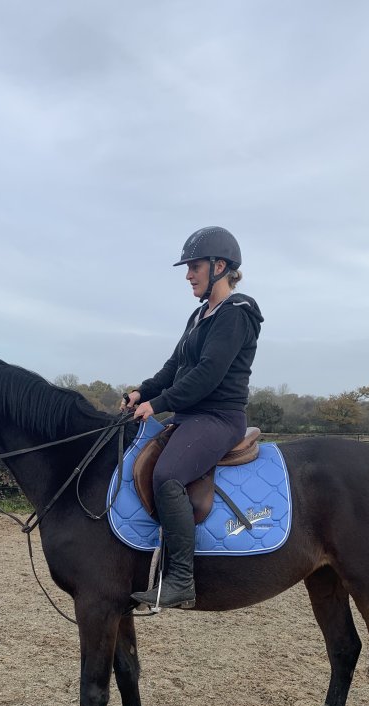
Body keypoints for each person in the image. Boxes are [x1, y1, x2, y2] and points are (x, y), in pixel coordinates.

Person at [122, 226, 264, 609]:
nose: (188, 275)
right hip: (190, 416)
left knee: (167, 475)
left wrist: (159, 404)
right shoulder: (200, 315)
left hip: (218, 417)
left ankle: (181, 579)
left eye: (194, 267)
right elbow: (174, 368)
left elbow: (207, 374)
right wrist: (141, 393)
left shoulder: (237, 313)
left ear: (219, 267)